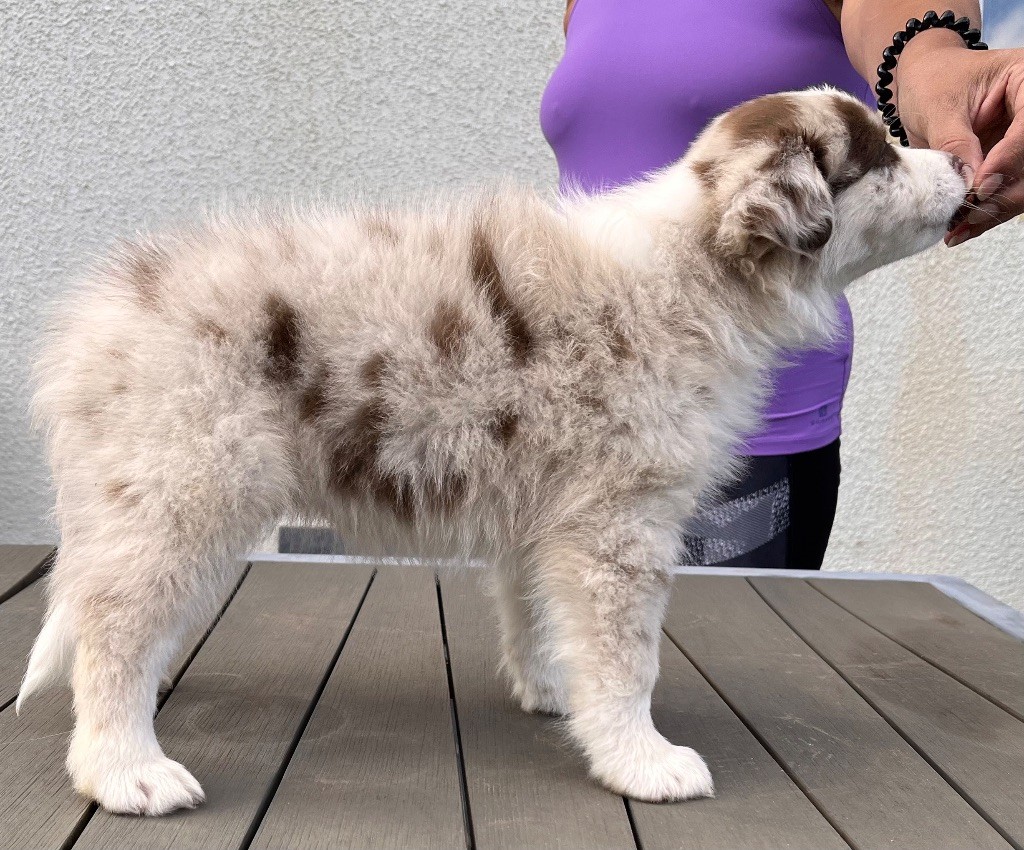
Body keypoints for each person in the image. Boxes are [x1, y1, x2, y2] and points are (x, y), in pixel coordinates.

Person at [541, 0, 1024, 569]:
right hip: (564, 427)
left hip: (730, 440)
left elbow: (902, 21)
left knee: (703, 629)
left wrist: (936, 61)